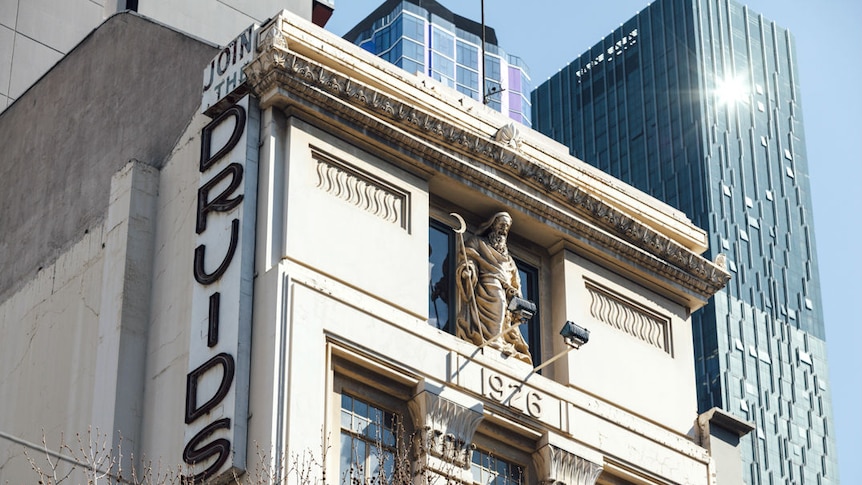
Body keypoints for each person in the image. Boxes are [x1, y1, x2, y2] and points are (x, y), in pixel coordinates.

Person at [455, 211, 532, 364]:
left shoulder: (509, 259)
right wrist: (468, 269)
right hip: (488, 281)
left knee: (504, 303)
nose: (504, 229)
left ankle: (499, 340)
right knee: (499, 300)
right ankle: (494, 341)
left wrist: (515, 293)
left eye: (507, 227)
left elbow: (515, 279)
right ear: (493, 225)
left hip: (505, 288)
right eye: (501, 224)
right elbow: (468, 258)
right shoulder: (478, 242)